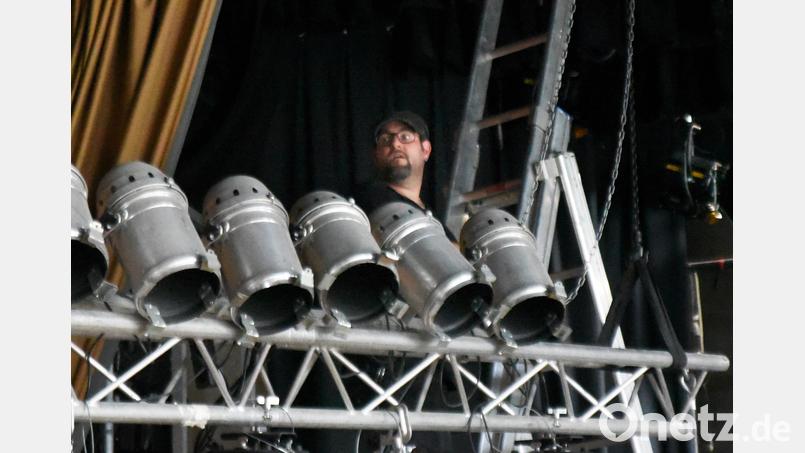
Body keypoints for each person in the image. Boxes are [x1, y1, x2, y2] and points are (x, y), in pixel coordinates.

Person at [353, 110, 434, 214]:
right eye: (385, 139)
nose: (395, 144)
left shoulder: (435, 219)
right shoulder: (363, 203)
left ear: (426, 150)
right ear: (375, 155)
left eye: (405, 137)